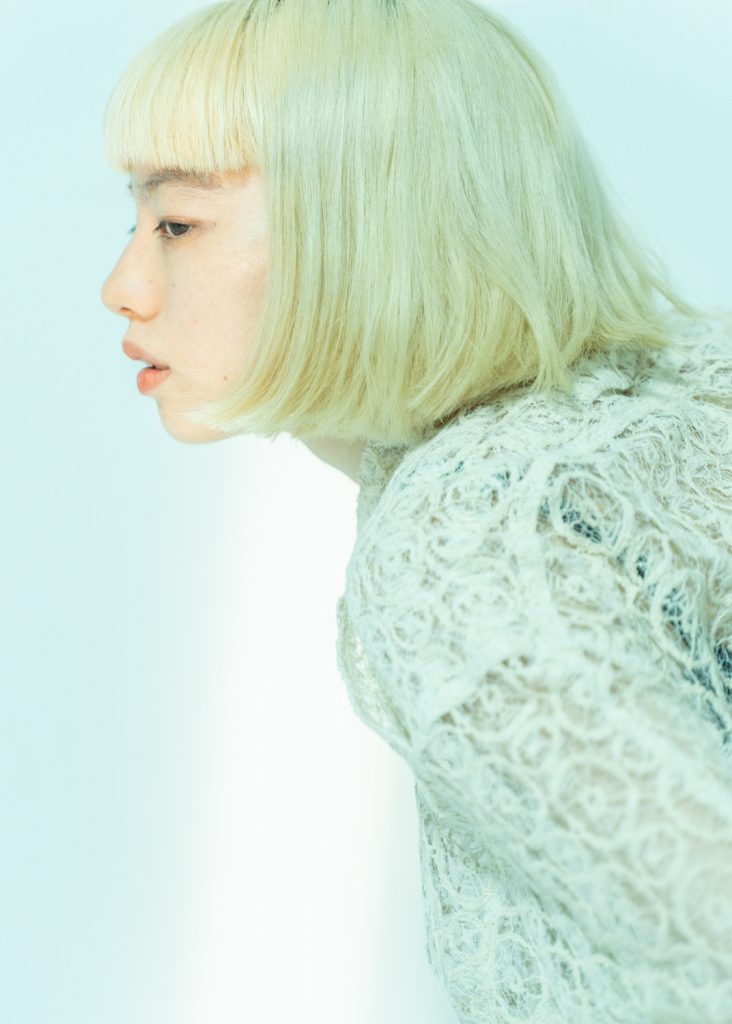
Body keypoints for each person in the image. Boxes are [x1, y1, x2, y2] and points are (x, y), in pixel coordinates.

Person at [100, 1, 732, 1020]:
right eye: (134, 222)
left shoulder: (461, 550)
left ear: (366, 226)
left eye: (177, 223)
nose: (122, 287)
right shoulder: (687, 393)